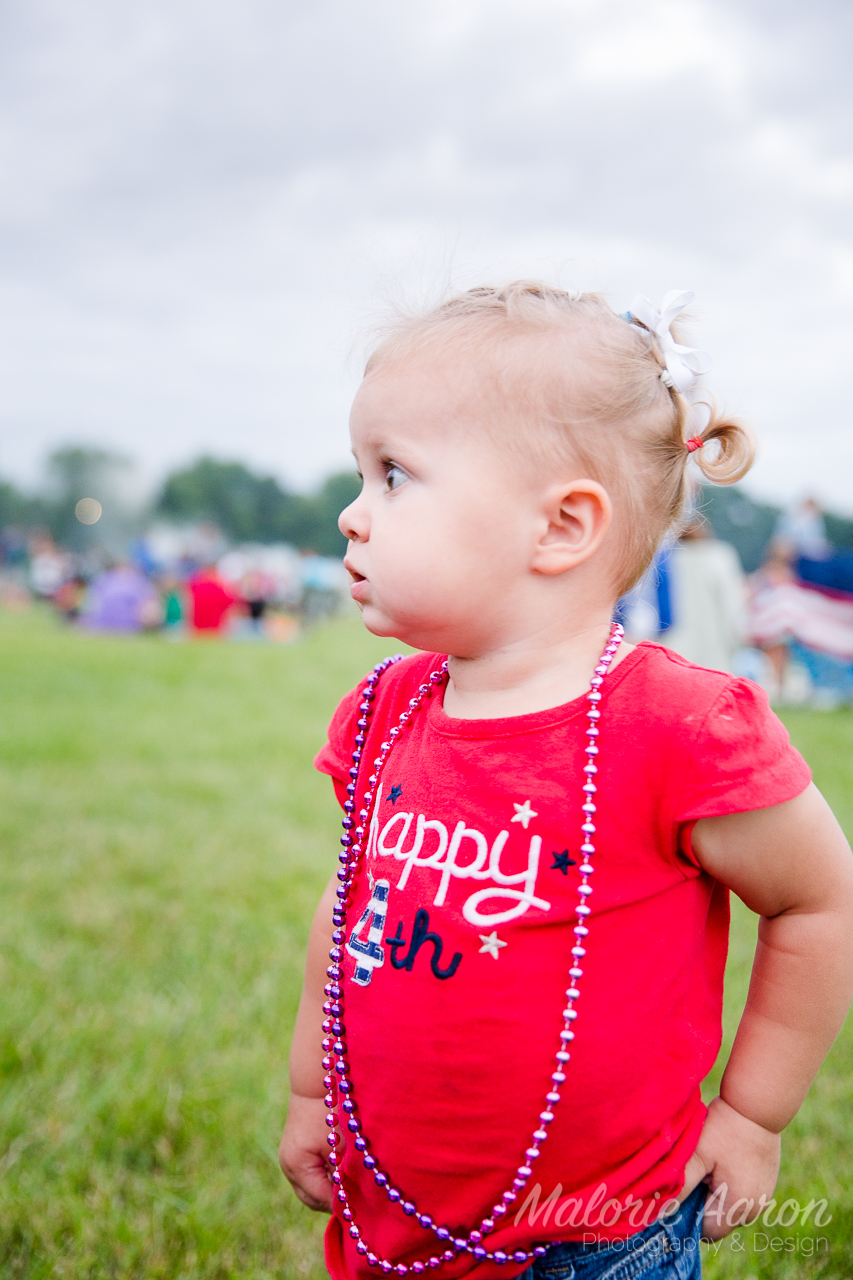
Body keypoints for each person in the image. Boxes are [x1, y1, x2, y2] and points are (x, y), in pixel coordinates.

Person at [279, 285, 853, 1279]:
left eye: (394, 475)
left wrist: (753, 1114)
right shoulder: (381, 710)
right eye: (361, 472)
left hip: (600, 1237)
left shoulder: (677, 726)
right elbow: (352, 907)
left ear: (560, 526)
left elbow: (817, 898)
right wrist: (309, 1091)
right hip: (397, 1209)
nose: (352, 511)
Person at [658, 516, 747, 673]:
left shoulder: (665, 558)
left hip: (674, 644)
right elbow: (730, 602)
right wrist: (738, 635)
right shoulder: (719, 556)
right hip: (714, 643)